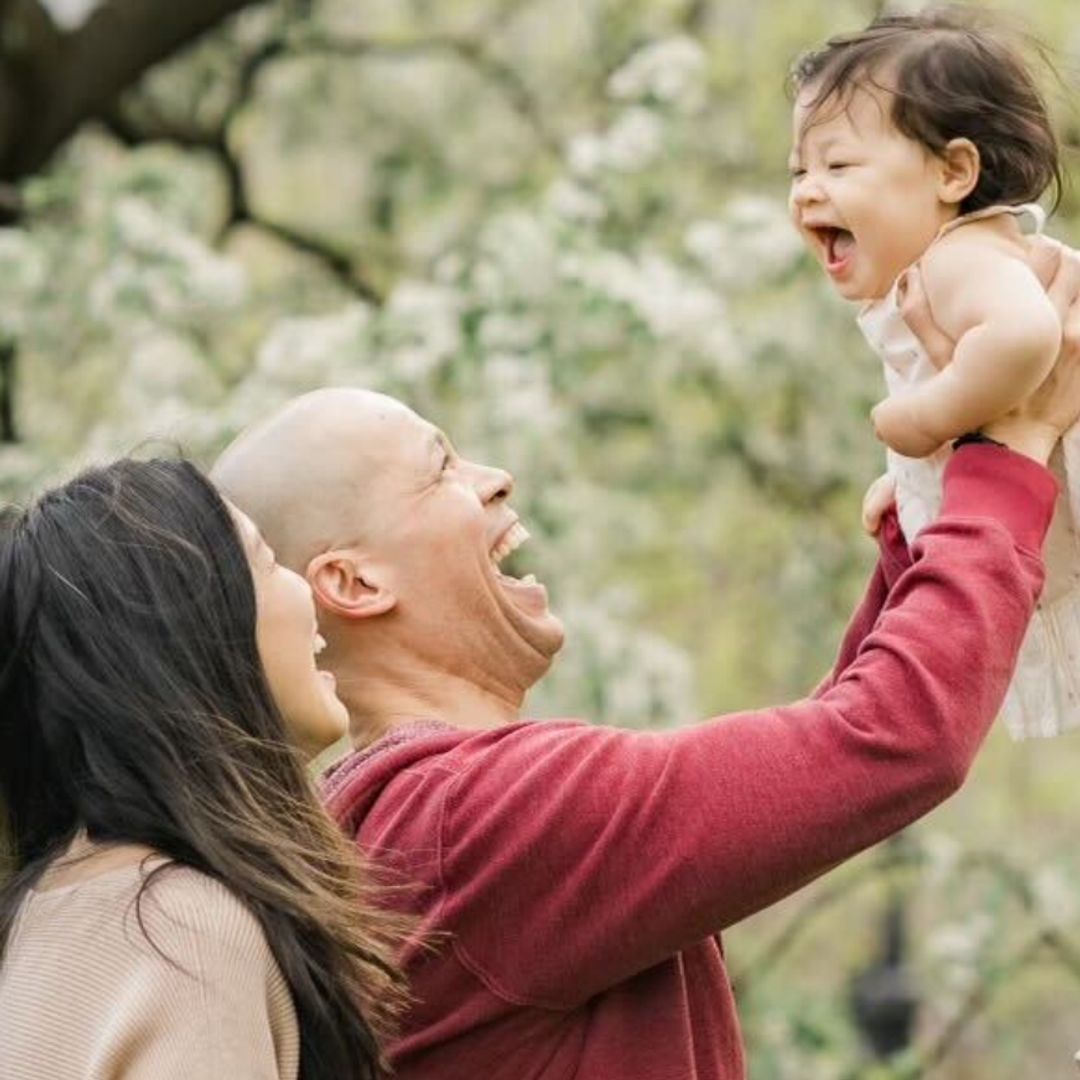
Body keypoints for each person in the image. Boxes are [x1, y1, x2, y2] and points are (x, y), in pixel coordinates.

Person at [212, 249, 1080, 1079]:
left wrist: (922, 528)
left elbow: (821, 761)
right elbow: (889, 740)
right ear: (352, 582)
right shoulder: (474, 823)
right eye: (442, 467)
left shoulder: (410, 832)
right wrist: (1007, 461)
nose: (496, 478)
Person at [0, 458, 407, 1080]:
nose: (302, 586)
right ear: (190, 636)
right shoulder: (184, 926)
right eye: (266, 561)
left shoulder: (39, 912)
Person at [788, 6, 1080, 738]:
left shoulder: (964, 257)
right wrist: (921, 481)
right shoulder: (944, 266)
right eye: (799, 169)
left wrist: (925, 422)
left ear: (954, 171)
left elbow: (1023, 338)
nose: (806, 190)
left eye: (838, 164)